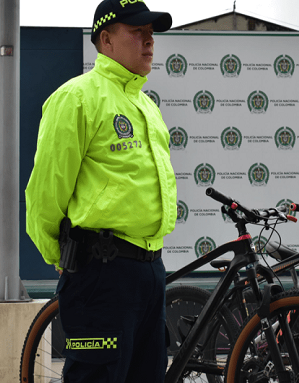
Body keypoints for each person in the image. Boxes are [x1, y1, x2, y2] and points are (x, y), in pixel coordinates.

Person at [25, 0, 176, 381]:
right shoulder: (76, 97)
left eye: (151, 33)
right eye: (137, 32)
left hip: (150, 270)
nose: (149, 41)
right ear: (105, 40)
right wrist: (60, 255)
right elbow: (46, 191)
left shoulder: (146, 105)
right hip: (101, 273)